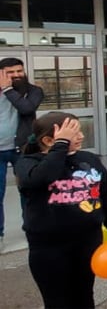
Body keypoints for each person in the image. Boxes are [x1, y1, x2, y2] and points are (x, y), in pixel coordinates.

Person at [17, 112, 107, 308]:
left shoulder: (89, 159)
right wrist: (61, 146)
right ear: (48, 140)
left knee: (84, 296)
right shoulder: (28, 163)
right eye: (74, 133)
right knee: (58, 301)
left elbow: (104, 195)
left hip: (88, 241)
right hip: (49, 247)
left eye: (79, 130)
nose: (81, 136)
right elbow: (41, 178)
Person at [0, 57, 43, 248]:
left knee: (28, 192)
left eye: (19, 71)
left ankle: (32, 230)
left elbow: (27, 109)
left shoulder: (33, 91)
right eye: (10, 72)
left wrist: (8, 90)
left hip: (23, 149)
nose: (17, 75)